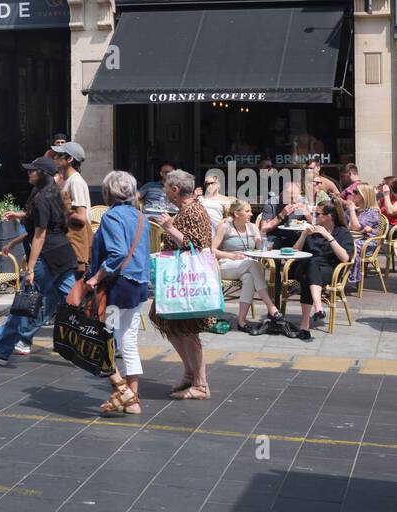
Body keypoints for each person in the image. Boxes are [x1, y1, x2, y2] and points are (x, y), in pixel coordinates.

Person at [0, 157, 77, 365]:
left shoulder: (41, 198)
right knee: (75, 303)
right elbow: (38, 220)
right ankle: (99, 345)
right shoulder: (54, 194)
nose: (29, 173)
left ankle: (0, 347)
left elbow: (39, 235)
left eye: (33, 170)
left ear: (43, 174)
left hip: (47, 258)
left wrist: (30, 269)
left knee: (23, 305)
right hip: (64, 256)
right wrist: (18, 224)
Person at [85, 170, 150, 415]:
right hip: (137, 285)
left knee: (105, 337)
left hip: (116, 287)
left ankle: (123, 390)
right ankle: (132, 398)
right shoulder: (139, 216)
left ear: (108, 192)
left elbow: (118, 253)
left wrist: (96, 276)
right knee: (128, 340)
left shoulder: (112, 217)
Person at [151, 169, 213, 399]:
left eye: (166, 186)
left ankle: (200, 384)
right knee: (167, 321)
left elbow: (194, 246)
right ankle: (190, 374)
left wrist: (168, 227)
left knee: (187, 329)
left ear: (175, 190)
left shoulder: (193, 211)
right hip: (176, 281)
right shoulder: (184, 210)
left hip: (187, 282)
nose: (164, 190)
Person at [212, 199, 285, 334]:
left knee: (249, 278)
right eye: (247, 211)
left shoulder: (252, 227)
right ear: (236, 213)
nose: (251, 214)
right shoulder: (225, 227)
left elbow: (260, 248)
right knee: (253, 264)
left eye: (250, 211)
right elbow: (212, 250)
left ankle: (241, 321)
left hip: (247, 265)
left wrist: (262, 239)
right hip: (226, 265)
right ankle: (271, 307)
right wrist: (231, 256)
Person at [289, 202, 352, 338]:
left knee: (307, 278)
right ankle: (318, 306)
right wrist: (304, 235)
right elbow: (294, 252)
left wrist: (329, 237)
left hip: (328, 270)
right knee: (311, 263)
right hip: (304, 266)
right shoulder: (312, 231)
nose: (314, 216)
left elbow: (345, 258)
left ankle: (304, 326)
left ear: (329, 216)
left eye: (317, 214)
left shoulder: (342, 232)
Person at [54, 141, 92, 276]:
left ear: (69, 159)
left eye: (59, 155)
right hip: (68, 244)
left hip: (75, 245)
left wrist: (61, 208)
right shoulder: (68, 180)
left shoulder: (76, 182)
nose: (55, 158)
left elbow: (81, 217)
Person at [345, 183, 382, 286]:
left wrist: (351, 210)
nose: (353, 194)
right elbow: (345, 225)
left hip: (367, 243)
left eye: (356, 192)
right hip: (354, 238)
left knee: (348, 246)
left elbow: (355, 227)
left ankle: (344, 278)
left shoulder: (372, 212)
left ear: (364, 195)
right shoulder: (353, 210)